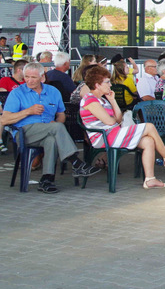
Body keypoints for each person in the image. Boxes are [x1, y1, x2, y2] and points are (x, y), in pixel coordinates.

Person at [1, 62, 101, 193]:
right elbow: (4, 119)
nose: (29, 80)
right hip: (25, 132)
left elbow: (61, 115)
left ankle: (47, 180)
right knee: (57, 128)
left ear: (42, 77)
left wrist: (56, 123)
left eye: (33, 77)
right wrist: (28, 111)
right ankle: (76, 163)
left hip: (48, 131)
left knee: (52, 140)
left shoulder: (53, 92)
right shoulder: (17, 93)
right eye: (26, 77)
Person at [80, 65, 165, 189]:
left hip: (113, 134)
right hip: (103, 137)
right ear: (97, 85)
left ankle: (150, 179)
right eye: (107, 82)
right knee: (149, 126)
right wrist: (114, 120)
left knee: (148, 141)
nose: (110, 85)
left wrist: (112, 100)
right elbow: (110, 122)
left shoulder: (103, 100)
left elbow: (118, 119)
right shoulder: (90, 100)